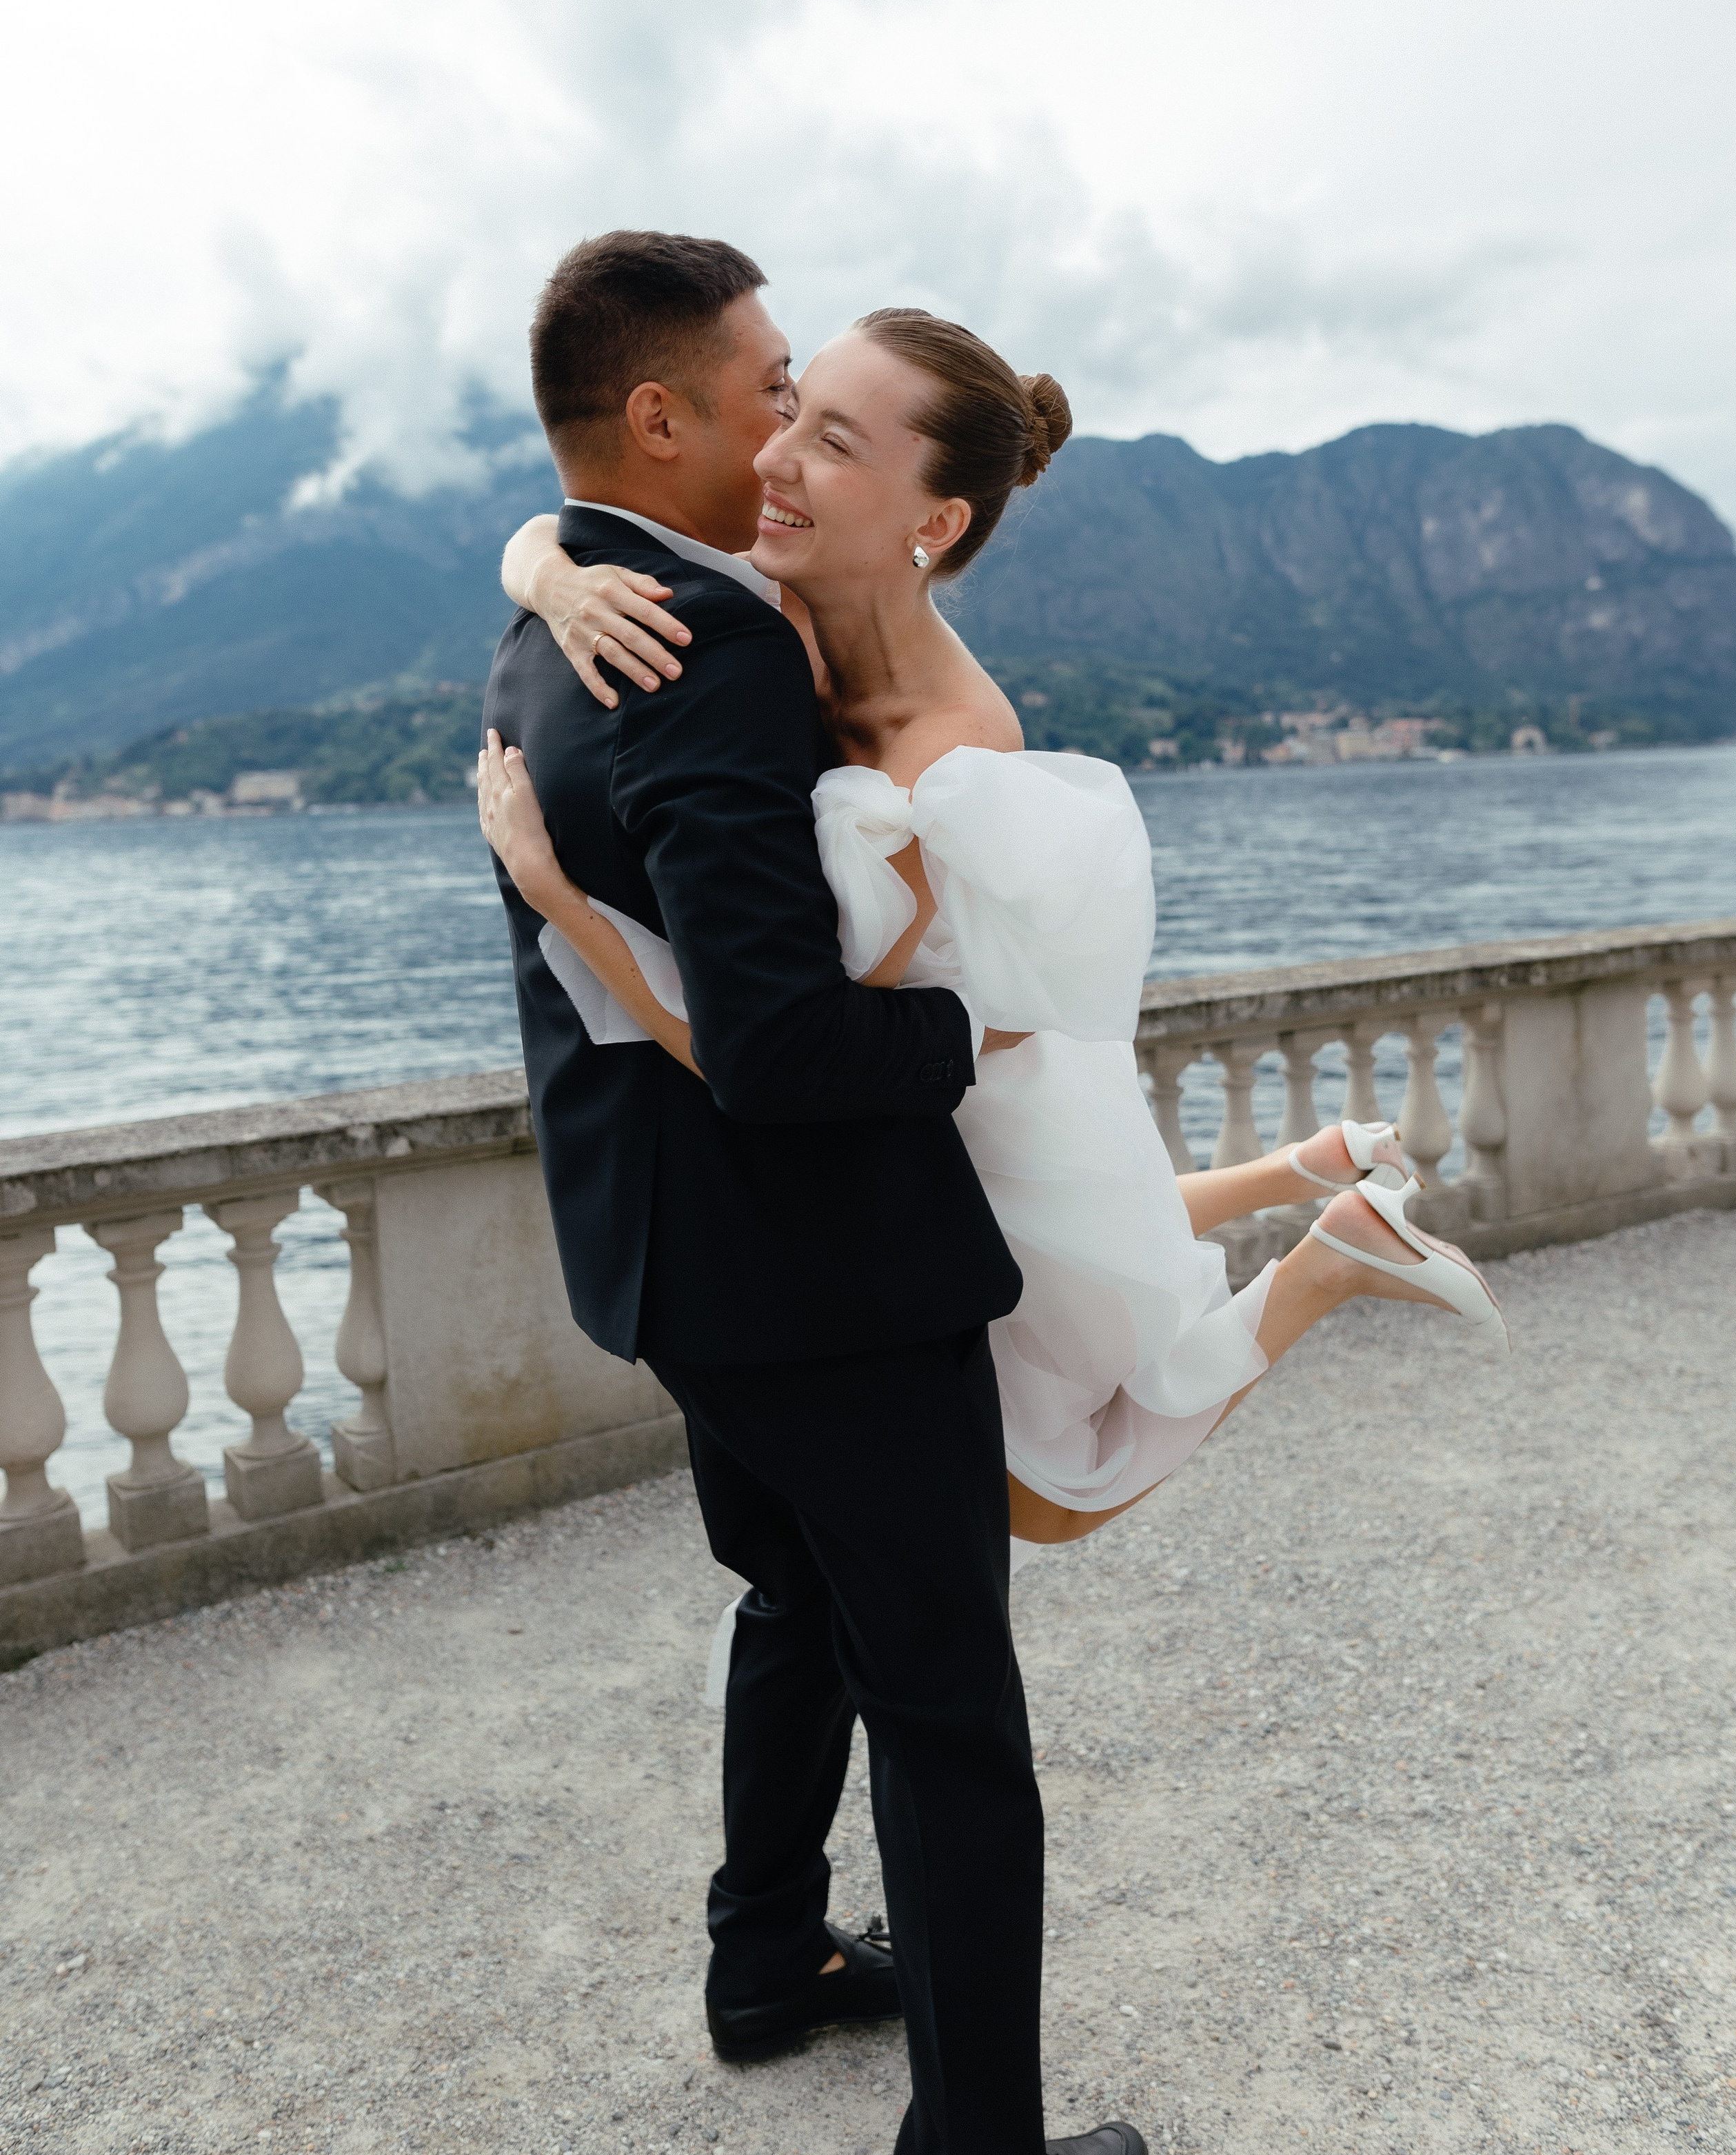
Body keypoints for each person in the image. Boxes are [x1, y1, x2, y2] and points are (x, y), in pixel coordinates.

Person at [481, 232, 1144, 2155]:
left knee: (791, 1598)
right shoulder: (710, 636)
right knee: (948, 1720)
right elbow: (782, 1051)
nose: (780, 433)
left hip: (673, 1261)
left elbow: (556, 535)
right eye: (775, 392)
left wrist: (539, 563)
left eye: (822, 416)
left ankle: (765, 1957)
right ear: (657, 416)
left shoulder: (557, 625)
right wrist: (978, 1035)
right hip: (826, 1276)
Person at [485, 310, 1506, 1548]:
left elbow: (762, 1046)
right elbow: (549, 525)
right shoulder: (780, 595)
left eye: (832, 442)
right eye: (794, 412)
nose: (774, 457)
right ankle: (1308, 1173)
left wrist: (559, 899)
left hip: (972, 1114)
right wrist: (559, 582)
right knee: (1030, 1448)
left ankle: (1328, 1259)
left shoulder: (947, 757)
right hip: (944, 1095)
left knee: (1053, 1499)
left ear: (934, 521)